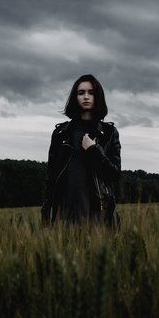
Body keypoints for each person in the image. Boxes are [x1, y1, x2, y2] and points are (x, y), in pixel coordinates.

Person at [41, 74, 121, 227]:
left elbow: (115, 174)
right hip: (65, 213)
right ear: (75, 97)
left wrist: (94, 150)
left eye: (91, 93)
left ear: (98, 97)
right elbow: (51, 176)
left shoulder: (109, 133)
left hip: (98, 212)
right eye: (81, 93)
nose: (86, 96)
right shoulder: (61, 133)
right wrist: (46, 211)